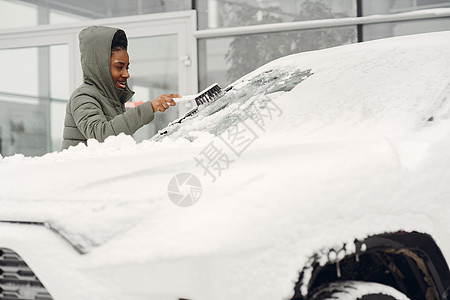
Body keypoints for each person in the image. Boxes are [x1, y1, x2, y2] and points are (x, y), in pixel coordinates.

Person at [62, 26, 179, 150]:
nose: (126, 74)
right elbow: (102, 136)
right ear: (101, 67)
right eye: (119, 67)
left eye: (127, 68)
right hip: (84, 169)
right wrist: (148, 108)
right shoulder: (83, 96)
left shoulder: (111, 99)